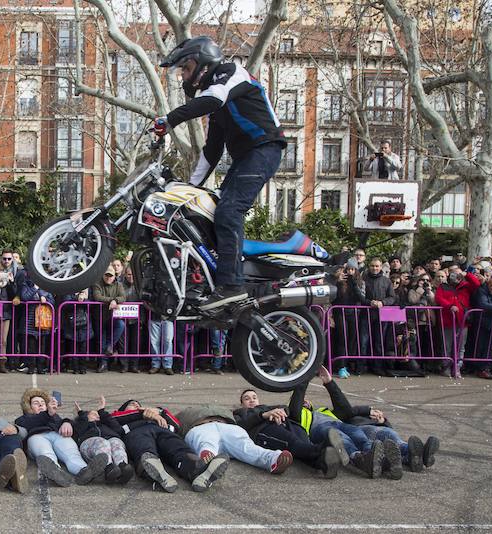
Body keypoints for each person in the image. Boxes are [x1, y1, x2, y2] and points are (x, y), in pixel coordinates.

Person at [154, 36, 286, 312]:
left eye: (186, 69)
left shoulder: (230, 75)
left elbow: (213, 99)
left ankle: (233, 286)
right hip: (246, 158)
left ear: (201, 63)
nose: (184, 77)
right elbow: (211, 152)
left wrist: (171, 119)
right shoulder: (218, 107)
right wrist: (187, 189)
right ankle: (222, 281)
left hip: (264, 150)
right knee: (212, 212)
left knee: (229, 212)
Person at [315, 366, 439, 479]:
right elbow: (348, 411)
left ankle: (413, 454)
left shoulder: (335, 413)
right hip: (361, 429)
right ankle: (396, 459)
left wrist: (383, 421)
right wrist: (368, 410)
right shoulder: (331, 419)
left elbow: (348, 409)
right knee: (369, 437)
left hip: (374, 426)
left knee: (389, 435)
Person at [289, 368, 385, 478]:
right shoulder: (295, 415)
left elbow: (346, 410)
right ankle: (358, 458)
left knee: (358, 434)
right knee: (338, 436)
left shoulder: (323, 411)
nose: (304, 400)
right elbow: (295, 408)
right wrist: (304, 379)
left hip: (341, 424)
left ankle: (372, 455)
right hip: (317, 430)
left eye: (306, 399)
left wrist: (329, 382)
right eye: (301, 399)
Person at [234, 389, 346, 478]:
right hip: (265, 429)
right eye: (247, 399)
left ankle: (323, 464)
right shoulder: (240, 413)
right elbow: (241, 425)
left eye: (254, 397)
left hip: (289, 424)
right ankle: (327, 445)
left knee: (304, 447)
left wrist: (282, 411)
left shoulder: (267, 406)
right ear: (241, 404)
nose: (252, 400)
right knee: (295, 444)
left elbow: (286, 408)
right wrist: (264, 415)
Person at [109, 400, 216, 492]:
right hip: (137, 432)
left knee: (178, 449)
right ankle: (153, 470)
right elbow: (113, 419)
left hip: (163, 431)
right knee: (144, 449)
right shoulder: (118, 416)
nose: (136, 405)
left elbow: (177, 425)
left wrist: (160, 412)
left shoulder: (158, 413)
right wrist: (141, 413)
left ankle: (196, 470)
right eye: (132, 404)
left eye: (138, 404)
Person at [14, 388, 106, 487]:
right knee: (46, 454)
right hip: (36, 437)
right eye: (36, 403)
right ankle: (56, 472)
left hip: (57, 435)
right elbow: (30, 423)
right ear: (29, 407)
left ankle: (84, 471)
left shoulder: (54, 416)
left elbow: (68, 424)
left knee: (72, 454)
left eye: (43, 402)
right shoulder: (22, 419)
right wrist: (47, 414)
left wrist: (67, 422)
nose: (40, 404)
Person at [177, 404, 293, 475]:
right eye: (247, 398)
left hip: (228, 427)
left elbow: (282, 406)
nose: (251, 400)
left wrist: (291, 407)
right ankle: (207, 462)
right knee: (206, 442)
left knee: (247, 447)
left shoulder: (236, 414)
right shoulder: (183, 414)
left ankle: (273, 459)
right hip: (200, 427)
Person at [71, 396, 134, 485]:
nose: (97, 416)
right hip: (90, 444)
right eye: (94, 414)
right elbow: (78, 431)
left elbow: (118, 429)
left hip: (110, 440)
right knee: (103, 442)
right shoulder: (82, 424)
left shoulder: (105, 424)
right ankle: (109, 469)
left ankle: (123, 467)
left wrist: (102, 411)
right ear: (86, 415)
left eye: (98, 414)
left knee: (115, 442)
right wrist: (82, 415)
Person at [435, 268, 481, 378]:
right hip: (447, 320)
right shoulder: (443, 286)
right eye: (453, 274)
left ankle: (457, 368)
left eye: (458, 274)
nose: (455, 276)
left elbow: (477, 284)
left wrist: (467, 274)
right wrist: (450, 306)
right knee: (447, 346)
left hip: (462, 321)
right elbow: (439, 298)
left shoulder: (466, 286)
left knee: (461, 347)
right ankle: (446, 367)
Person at [90, 266, 126, 373]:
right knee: (101, 341)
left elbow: (123, 297)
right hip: (99, 316)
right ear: (103, 275)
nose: (108, 277)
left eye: (111, 275)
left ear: (115, 276)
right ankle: (103, 363)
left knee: (121, 325)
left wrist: (115, 300)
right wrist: (113, 300)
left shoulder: (119, 284)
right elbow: (97, 297)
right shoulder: (97, 283)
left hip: (113, 316)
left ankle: (110, 346)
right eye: (106, 275)